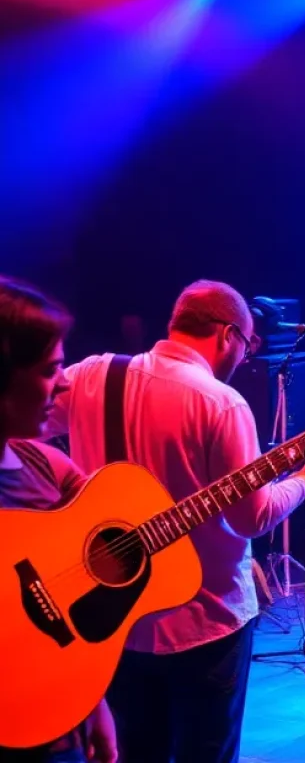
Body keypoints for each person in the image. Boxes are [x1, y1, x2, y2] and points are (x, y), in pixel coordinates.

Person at [49, 280, 305, 763]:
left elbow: (20, 430)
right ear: (228, 334)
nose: (245, 358)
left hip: (108, 620)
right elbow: (254, 517)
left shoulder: (91, 375)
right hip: (204, 622)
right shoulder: (221, 403)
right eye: (247, 345)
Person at [0, 276, 117, 763]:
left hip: (58, 729)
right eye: (51, 369)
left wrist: (93, 703)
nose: (65, 381)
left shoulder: (36, 463)